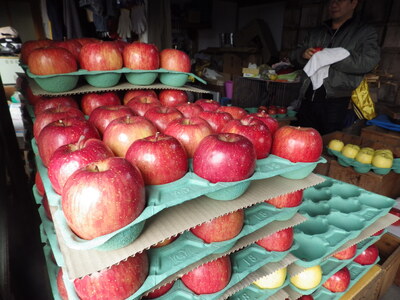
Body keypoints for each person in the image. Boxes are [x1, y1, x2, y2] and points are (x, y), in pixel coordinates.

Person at [290, 0, 380, 135]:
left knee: (329, 144)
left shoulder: (364, 32)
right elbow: (293, 56)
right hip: (307, 98)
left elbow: (368, 62)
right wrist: (303, 55)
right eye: (331, 0)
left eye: (340, 0)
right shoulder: (317, 32)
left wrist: (331, 57)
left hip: (337, 101)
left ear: (353, 3)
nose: (334, 4)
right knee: (302, 140)